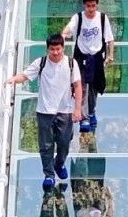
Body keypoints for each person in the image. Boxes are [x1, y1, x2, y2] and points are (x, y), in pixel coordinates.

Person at [6, 33, 82, 191]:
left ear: (63, 48)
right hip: (44, 111)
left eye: (58, 49)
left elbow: (78, 86)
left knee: (64, 142)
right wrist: (13, 79)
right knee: (46, 146)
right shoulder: (41, 63)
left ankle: (59, 164)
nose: (55, 52)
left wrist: (77, 109)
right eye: (52, 49)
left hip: (65, 111)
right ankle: (49, 174)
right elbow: (25, 76)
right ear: (48, 49)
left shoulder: (71, 63)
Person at [62, 0, 115, 132]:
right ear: (84, 5)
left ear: (97, 5)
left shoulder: (103, 18)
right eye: (88, 6)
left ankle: (92, 112)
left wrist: (110, 55)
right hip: (81, 57)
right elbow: (69, 28)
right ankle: (84, 118)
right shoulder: (78, 17)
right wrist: (63, 35)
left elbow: (110, 39)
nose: (90, 9)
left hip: (97, 57)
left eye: (93, 5)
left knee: (95, 88)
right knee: (82, 86)